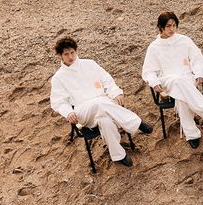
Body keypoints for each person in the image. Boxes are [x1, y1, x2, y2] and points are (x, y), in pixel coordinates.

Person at [50, 36, 152, 167]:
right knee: (99, 104)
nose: (70, 57)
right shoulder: (58, 77)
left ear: (76, 51)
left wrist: (116, 92)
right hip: (83, 112)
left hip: (104, 105)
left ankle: (118, 155)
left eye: (72, 52)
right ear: (60, 55)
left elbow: (106, 80)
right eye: (66, 54)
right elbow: (59, 101)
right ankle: (136, 122)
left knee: (105, 120)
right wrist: (68, 112)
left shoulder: (89, 64)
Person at [142, 11, 203, 149]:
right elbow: (148, 71)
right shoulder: (154, 47)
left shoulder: (184, 40)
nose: (172, 29)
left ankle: (192, 134)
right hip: (167, 81)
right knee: (177, 81)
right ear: (160, 27)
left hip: (187, 78)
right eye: (168, 26)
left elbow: (197, 59)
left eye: (174, 25)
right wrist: (154, 82)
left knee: (181, 97)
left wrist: (200, 73)